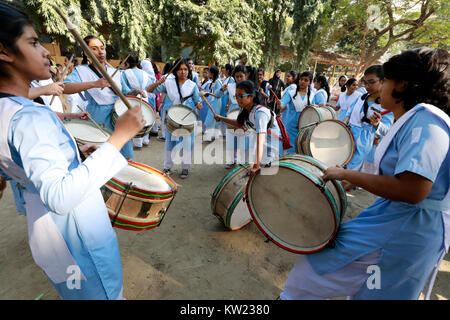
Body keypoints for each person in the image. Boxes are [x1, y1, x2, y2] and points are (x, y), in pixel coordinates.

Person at [0, 2, 145, 299]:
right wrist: (118, 138)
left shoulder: (6, 108)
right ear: (3, 51)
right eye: (33, 42)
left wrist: (77, 156)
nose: (44, 52)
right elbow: (60, 196)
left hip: (47, 235)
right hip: (76, 237)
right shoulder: (29, 116)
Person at [280, 47, 449, 300]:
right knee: (343, 275)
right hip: (395, 218)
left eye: (385, 81)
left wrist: (348, 176)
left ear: (402, 85)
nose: (379, 88)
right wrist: (350, 179)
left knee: (363, 283)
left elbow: (413, 190)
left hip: (411, 228)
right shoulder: (414, 119)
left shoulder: (426, 122)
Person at [63, 35, 144, 160]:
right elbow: (65, 87)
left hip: (118, 116)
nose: (100, 52)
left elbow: (124, 93)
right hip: (98, 118)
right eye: (94, 48)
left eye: (102, 48)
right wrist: (94, 84)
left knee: (124, 158)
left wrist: (136, 91)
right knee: (103, 158)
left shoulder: (114, 72)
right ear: (86, 52)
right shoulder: (81, 70)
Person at [147, 58, 202, 179]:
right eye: (180, 69)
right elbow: (149, 90)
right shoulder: (168, 83)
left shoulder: (192, 85)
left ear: (189, 70)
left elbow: (198, 99)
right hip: (172, 117)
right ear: (176, 71)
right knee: (170, 143)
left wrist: (199, 103)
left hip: (187, 118)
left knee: (187, 143)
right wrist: (158, 82)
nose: (183, 72)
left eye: (185, 69)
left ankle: (185, 168)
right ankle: (167, 167)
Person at [214, 80, 283, 171]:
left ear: (251, 96)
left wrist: (256, 166)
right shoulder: (245, 109)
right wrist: (221, 118)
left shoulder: (260, 113)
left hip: (271, 147)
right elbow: (239, 123)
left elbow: (260, 141)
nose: (237, 99)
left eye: (241, 96)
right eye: (236, 96)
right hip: (261, 147)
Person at [343, 65, 394, 172]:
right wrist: (343, 124)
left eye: (371, 82)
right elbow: (350, 113)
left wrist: (377, 124)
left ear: (383, 81)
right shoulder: (360, 97)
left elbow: (387, 130)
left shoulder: (386, 104)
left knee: (351, 173)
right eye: (365, 83)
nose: (367, 86)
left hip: (365, 143)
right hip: (348, 137)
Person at [121, 52, 156, 149]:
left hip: (132, 99)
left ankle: (136, 143)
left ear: (127, 62)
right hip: (145, 97)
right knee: (145, 117)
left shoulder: (124, 73)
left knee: (133, 119)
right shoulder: (145, 73)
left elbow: (124, 90)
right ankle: (145, 140)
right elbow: (149, 86)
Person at [217, 65, 249, 168]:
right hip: (231, 114)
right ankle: (231, 160)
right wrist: (221, 90)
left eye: (241, 76)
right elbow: (217, 95)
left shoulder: (249, 87)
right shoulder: (230, 86)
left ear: (246, 76)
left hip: (245, 114)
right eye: (237, 76)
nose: (239, 79)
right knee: (231, 138)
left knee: (244, 138)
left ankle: (244, 161)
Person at [277, 71, 314, 154]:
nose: (302, 82)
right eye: (301, 79)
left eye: (306, 80)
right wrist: (280, 104)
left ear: (310, 83)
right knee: (289, 150)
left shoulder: (311, 95)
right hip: (290, 127)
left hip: (304, 128)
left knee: (301, 149)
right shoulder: (291, 92)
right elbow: (283, 104)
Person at [203, 66, 223, 142]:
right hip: (212, 101)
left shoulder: (218, 82)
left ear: (212, 73)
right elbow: (213, 92)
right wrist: (208, 94)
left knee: (213, 118)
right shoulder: (213, 81)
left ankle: (211, 137)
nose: (208, 74)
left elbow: (218, 94)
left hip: (216, 102)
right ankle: (212, 136)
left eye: (209, 72)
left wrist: (210, 94)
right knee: (211, 118)